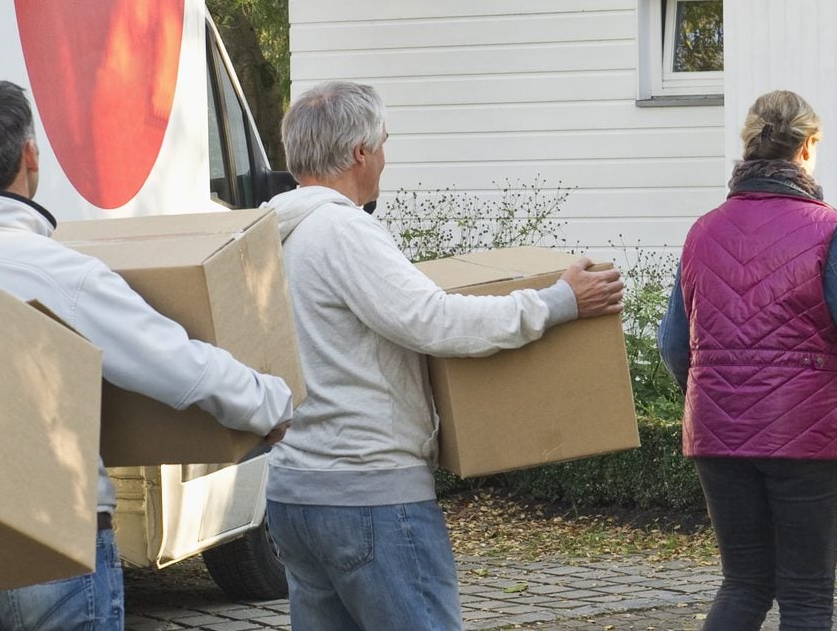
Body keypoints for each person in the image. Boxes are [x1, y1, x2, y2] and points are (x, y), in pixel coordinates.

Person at [0, 80, 295, 631]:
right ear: (29, 155)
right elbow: (179, 366)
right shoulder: (62, 273)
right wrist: (270, 403)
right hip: (53, 536)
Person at [262, 80, 624, 629]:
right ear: (360, 153)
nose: (385, 156)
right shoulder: (342, 232)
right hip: (367, 493)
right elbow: (435, 322)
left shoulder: (268, 235)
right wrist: (559, 302)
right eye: (382, 142)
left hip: (294, 492)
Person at [656, 89, 837, 631]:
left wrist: (718, 397)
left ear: (750, 147)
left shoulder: (702, 231)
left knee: (743, 584)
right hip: (805, 436)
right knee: (807, 596)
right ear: (808, 147)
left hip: (717, 436)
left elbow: (673, 346)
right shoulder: (823, 230)